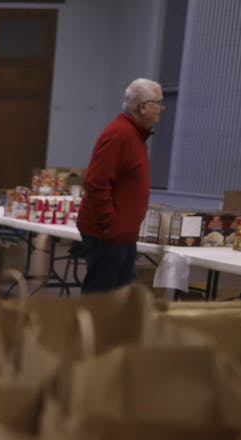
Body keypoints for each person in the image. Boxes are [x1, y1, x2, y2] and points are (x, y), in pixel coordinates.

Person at [77, 78, 164, 294]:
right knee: (101, 300)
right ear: (143, 106)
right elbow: (96, 182)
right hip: (109, 235)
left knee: (119, 299)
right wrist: (110, 225)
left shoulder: (134, 135)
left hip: (122, 235)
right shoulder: (120, 135)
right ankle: (87, 329)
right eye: (159, 102)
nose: (162, 108)